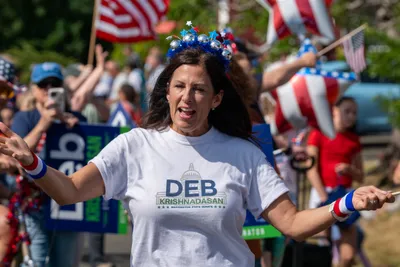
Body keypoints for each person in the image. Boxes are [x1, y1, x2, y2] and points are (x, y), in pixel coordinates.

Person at [0, 26, 394, 267]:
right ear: (167, 92)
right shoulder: (134, 146)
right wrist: (32, 163)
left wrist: (347, 203)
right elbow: (68, 191)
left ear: (216, 98)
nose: (187, 98)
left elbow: (292, 224)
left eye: (199, 89)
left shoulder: (243, 153)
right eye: (179, 87)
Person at [9, 62, 86, 267]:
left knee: (64, 263)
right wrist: (45, 123)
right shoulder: (24, 117)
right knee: (37, 262)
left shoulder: (76, 119)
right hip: (36, 204)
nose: (49, 90)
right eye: (44, 85)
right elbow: (18, 154)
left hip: (68, 205)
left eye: (55, 84)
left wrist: (75, 128)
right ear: (34, 90)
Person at [307, 96, 364, 267]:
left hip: (345, 196)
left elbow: (361, 176)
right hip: (322, 195)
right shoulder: (318, 134)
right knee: (322, 250)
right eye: (347, 111)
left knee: (347, 255)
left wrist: (349, 170)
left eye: (354, 113)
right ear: (334, 111)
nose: (351, 116)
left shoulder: (354, 140)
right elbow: (311, 169)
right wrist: (325, 198)